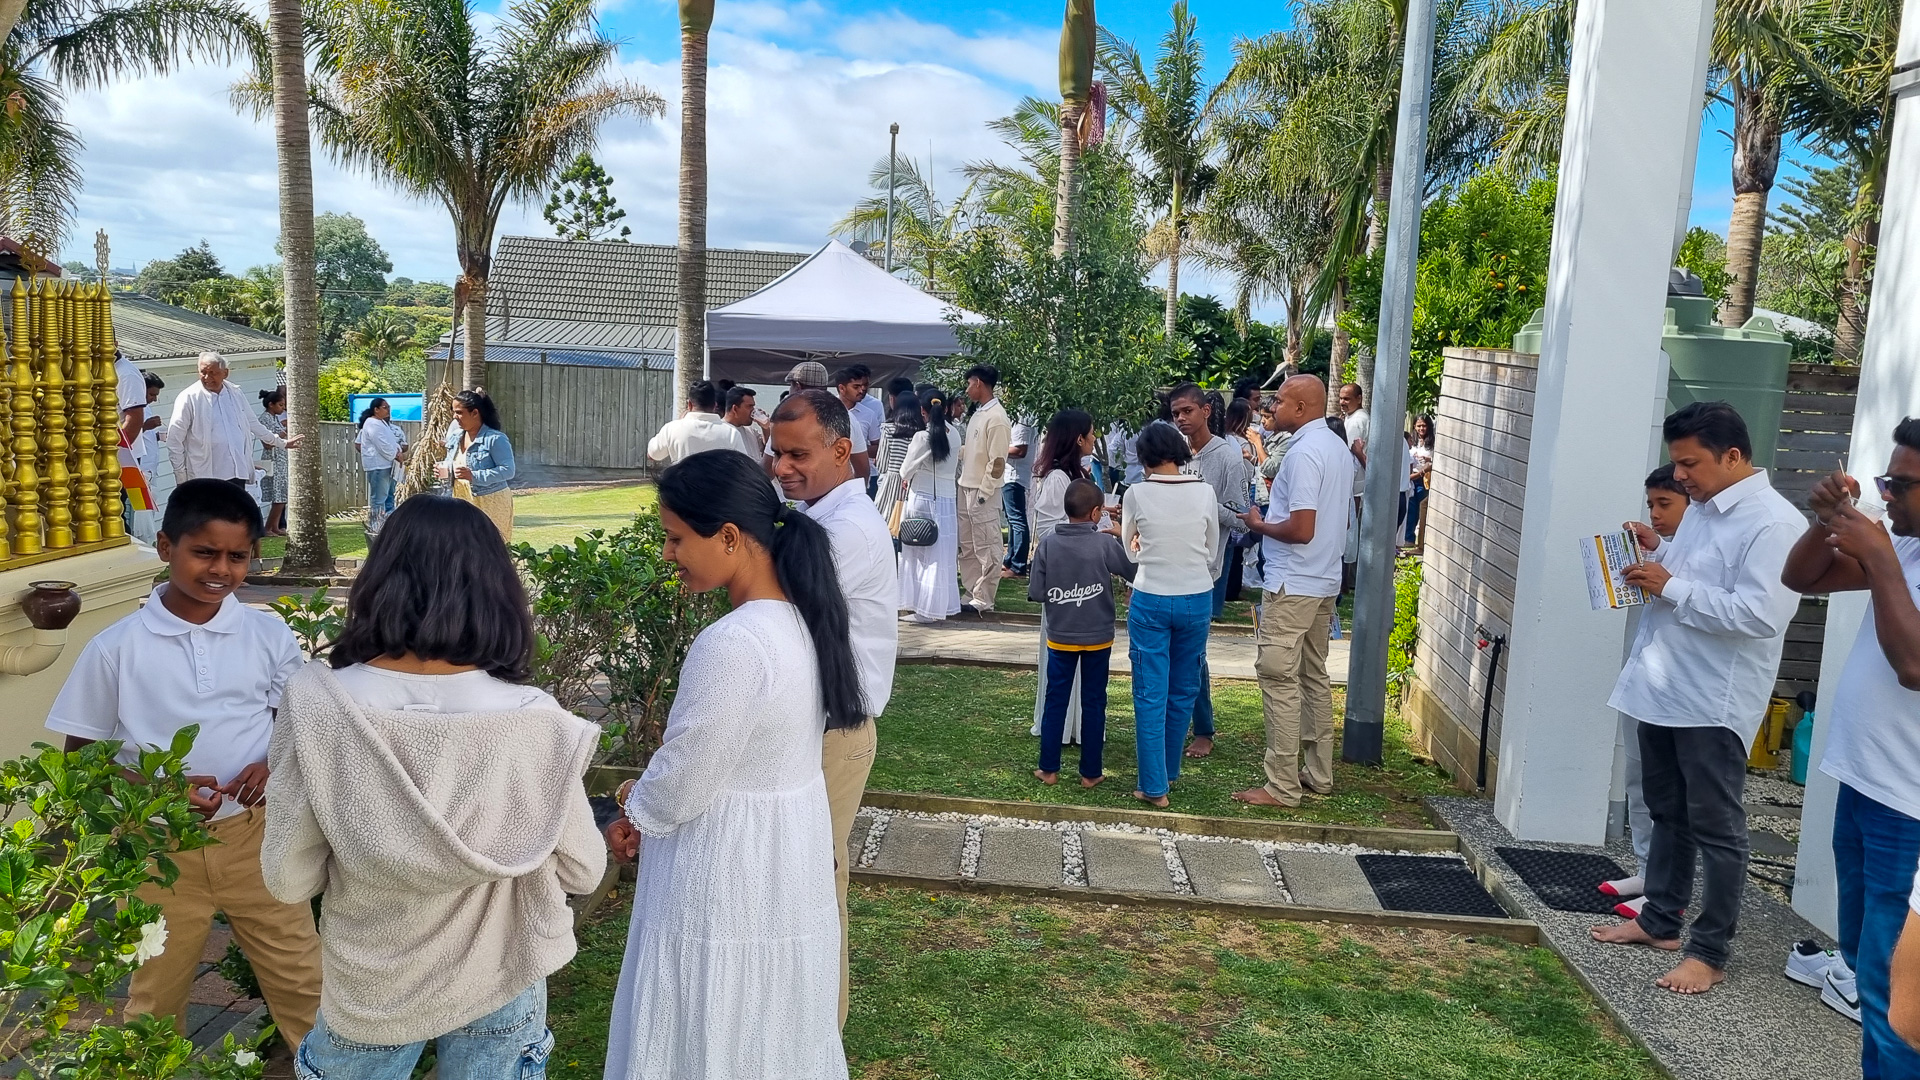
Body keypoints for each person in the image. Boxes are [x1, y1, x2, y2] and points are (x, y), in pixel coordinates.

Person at [263, 496, 604, 1079]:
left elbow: (287, 875)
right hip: (502, 970)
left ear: (379, 579)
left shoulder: (319, 703)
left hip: (373, 981)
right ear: (495, 589)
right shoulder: (534, 720)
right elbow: (582, 870)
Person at [605, 449, 857, 1080]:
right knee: (767, 1019)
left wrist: (635, 804)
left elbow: (688, 773)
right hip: (782, 861)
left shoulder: (734, 643)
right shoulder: (798, 621)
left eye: (676, 538)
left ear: (728, 537)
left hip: (724, 869)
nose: (668, 554)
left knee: (710, 1014)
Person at [45, 479, 321, 1048]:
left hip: (255, 839)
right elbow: (80, 762)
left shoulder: (268, 635)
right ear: (166, 547)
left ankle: (324, 1067)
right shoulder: (116, 649)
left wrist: (273, 763)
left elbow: (297, 723)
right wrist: (156, 790)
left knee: (302, 978)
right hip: (156, 850)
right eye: (205, 552)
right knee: (156, 993)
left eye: (237, 556)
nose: (221, 569)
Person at [1590, 402, 1804, 995]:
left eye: (1690, 464)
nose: (1680, 476)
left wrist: (1672, 585)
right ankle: (1660, 921)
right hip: (1663, 686)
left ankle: (1709, 952)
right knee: (1666, 811)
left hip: (1712, 699)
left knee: (1717, 827)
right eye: (1677, 464)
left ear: (1732, 456)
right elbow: (1690, 578)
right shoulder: (1706, 510)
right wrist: (1655, 556)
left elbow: (1761, 616)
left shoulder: (1773, 524)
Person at [1785, 417, 1920, 1064]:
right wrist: (1827, 522)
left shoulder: (1898, 553)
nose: (1886, 493)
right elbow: (1804, 579)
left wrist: (1881, 555)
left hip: (1910, 808)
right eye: (1887, 479)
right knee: (1867, 976)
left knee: (1899, 1001)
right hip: (1867, 786)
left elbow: (1914, 666)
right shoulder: (1910, 548)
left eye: (1901, 484)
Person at [768, 390, 898, 1029]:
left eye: (798, 455)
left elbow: (773, 606)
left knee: (816, 882)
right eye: (776, 454)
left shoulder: (845, 530)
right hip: (809, 727)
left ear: (842, 450)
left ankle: (819, 1033)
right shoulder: (814, 516)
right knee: (796, 880)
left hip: (834, 732)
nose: (782, 468)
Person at [1232, 376, 1355, 808]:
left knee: (1278, 677)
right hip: (1323, 580)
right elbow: (1337, 520)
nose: (1272, 408)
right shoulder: (1336, 448)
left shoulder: (1303, 453)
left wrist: (1258, 523)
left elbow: (1302, 529)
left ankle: (1282, 785)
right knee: (1313, 675)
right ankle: (1318, 774)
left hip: (1294, 582)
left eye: (1280, 401)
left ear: (1301, 408)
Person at [1599, 464, 1692, 917]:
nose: (1655, 513)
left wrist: (1664, 577)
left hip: (1679, 687)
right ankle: (1645, 867)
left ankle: (1664, 888)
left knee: (1668, 791)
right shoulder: (1670, 546)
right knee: (1638, 777)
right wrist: (1654, 547)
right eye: (1651, 504)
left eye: (1665, 504)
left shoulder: (1710, 541)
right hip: (1644, 677)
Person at [1120, 422, 1220, 809]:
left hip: (1152, 596)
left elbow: (1129, 551)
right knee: (1183, 689)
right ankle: (1167, 772)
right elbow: (1211, 550)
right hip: (1196, 596)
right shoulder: (1204, 491)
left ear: (1144, 457)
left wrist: (1144, 545)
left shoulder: (1136, 493)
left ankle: (1154, 784)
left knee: (1150, 692)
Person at [1029, 478, 1135, 788]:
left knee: (1055, 699)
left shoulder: (1048, 544)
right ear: (1096, 513)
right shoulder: (1104, 544)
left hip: (1060, 635)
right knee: (1094, 701)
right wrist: (1123, 538)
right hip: (1098, 636)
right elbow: (1132, 570)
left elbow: (1037, 592)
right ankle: (1091, 772)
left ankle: (1048, 769)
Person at [1168, 384, 1253, 760]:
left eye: (1187, 411)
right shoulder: (1173, 451)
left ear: (1206, 411)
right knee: (1169, 650)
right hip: (1168, 562)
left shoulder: (1227, 458)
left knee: (1193, 653)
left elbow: (1242, 518)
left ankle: (1203, 728)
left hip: (1204, 568)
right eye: (1175, 413)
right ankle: (1172, 721)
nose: (1181, 419)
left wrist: (1201, 499)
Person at [1026, 410, 1096, 743]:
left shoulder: (1072, 474)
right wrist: (1090, 529)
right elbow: (1047, 528)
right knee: (1062, 652)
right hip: (1065, 576)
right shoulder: (1057, 478)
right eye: (1091, 433)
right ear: (1078, 438)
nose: (1094, 439)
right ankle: (1060, 724)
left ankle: (1077, 724)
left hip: (1082, 572)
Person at [167, 351, 300, 485]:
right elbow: (174, 440)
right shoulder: (189, 398)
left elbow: (253, 423)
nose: (207, 377)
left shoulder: (235, 393)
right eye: (203, 372)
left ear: (225, 373)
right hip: (205, 475)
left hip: (237, 472)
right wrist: (181, 478)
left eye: (212, 373)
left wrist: (281, 443)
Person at [896, 389, 962, 624]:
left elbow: (905, 471)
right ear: (945, 408)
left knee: (918, 551)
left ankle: (922, 608)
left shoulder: (922, 437)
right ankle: (935, 606)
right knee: (940, 554)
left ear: (923, 411)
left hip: (922, 497)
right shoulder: (955, 434)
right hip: (947, 497)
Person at [957, 364, 1012, 613]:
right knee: (968, 546)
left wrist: (984, 493)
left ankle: (985, 598)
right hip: (966, 486)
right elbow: (973, 451)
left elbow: (997, 462)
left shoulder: (997, 417)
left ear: (978, 382)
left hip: (982, 492)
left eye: (969, 384)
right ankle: (971, 592)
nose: (967, 389)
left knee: (987, 545)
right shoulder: (979, 414)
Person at [439, 389, 516, 541]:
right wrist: (445, 470)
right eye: (453, 412)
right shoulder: (455, 437)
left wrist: (474, 475)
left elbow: (508, 470)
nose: (454, 417)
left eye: (459, 412)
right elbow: (452, 464)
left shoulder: (495, 439)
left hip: (490, 503)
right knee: (461, 546)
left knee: (490, 547)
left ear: (475, 413)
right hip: (461, 501)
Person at [649, 380, 750, 466]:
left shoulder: (672, 428)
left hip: (682, 483)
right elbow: (743, 466)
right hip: (718, 484)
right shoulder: (731, 433)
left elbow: (653, 455)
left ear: (689, 404)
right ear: (715, 405)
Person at [355, 396, 408, 535]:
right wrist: (396, 454)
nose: (388, 410)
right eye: (385, 407)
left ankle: (390, 528)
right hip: (378, 466)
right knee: (379, 499)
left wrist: (398, 451)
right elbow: (383, 445)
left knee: (390, 497)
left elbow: (392, 442)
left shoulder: (382, 423)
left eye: (389, 407)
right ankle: (376, 528)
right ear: (376, 409)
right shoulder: (372, 423)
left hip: (389, 465)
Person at [872, 391, 920, 528]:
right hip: (913, 484)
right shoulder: (921, 432)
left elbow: (882, 466)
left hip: (890, 483)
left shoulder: (888, 429)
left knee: (885, 522)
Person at [251, 388, 291, 537]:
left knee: (282, 496)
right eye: (280, 405)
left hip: (281, 460)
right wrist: (283, 433)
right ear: (271, 404)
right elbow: (267, 443)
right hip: (274, 459)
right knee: (278, 496)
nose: (283, 408)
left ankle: (275, 527)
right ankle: (267, 528)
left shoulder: (274, 418)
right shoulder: (265, 419)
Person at [1003, 419, 1036, 578]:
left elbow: (1020, 450)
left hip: (1014, 476)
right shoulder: (1021, 416)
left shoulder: (1022, 418)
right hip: (1011, 476)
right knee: (1013, 520)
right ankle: (1010, 560)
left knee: (1017, 520)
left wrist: (995, 448)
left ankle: (1018, 566)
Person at [831, 367, 878, 480]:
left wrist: (857, 448)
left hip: (861, 477)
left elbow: (878, 449)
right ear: (842, 388)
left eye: (864, 386)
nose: (862, 390)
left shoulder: (869, 414)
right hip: (831, 477)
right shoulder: (827, 411)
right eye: (856, 387)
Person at [724, 385, 767, 457]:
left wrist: (765, 428)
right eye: (749, 406)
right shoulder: (721, 432)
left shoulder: (751, 432)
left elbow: (768, 450)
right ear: (735, 409)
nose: (753, 410)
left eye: (753, 407)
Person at [1338, 382, 1371, 465]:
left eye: (1346, 399)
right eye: (1341, 398)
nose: (1342, 402)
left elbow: (1350, 452)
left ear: (1359, 399)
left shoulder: (1357, 420)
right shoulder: (1351, 416)